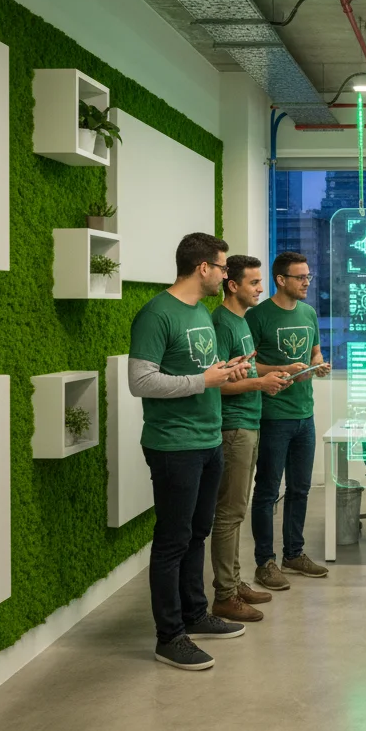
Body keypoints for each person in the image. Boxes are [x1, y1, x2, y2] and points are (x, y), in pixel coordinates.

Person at [128, 232, 251, 671]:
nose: (225, 274)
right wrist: (204, 382)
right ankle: (169, 636)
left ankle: (195, 614)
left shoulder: (200, 311)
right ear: (203, 268)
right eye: (221, 267)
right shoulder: (156, 314)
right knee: (172, 541)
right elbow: (140, 381)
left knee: (197, 532)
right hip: (173, 445)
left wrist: (227, 371)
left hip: (208, 439)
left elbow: (205, 370)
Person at [209, 255, 293, 622]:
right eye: (254, 283)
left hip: (250, 422)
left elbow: (245, 367)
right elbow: (219, 385)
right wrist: (260, 383)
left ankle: (236, 581)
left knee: (237, 510)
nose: (261, 289)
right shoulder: (221, 323)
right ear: (233, 285)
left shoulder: (241, 321)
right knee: (229, 513)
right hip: (234, 427)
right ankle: (225, 594)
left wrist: (277, 371)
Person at [247, 251, 331, 588]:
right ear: (281, 280)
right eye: (301, 277)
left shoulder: (309, 312)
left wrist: (319, 365)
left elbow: (313, 352)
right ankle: (265, 562)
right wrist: (282, 370)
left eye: (308, 276)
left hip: (304, 414)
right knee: (268, 491)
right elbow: (246, 366)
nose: (307, 282)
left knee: (300, 488)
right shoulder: (258, 316)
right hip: (273, 416)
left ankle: (293, 553)